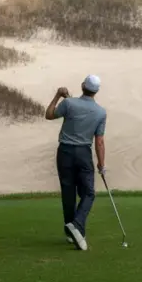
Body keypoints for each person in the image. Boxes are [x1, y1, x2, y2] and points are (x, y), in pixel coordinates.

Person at [45, 74, 106, 251]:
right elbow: (99, 141)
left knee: (68, 192)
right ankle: (77, 226)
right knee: (88, 192)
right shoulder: (100, 112)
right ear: (97, 91)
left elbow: (49, 115)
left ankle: (72, 230)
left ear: (82, 86)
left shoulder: (69, 103)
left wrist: (58, 95)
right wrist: (101, 164)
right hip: (83, 153)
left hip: (64, 152)